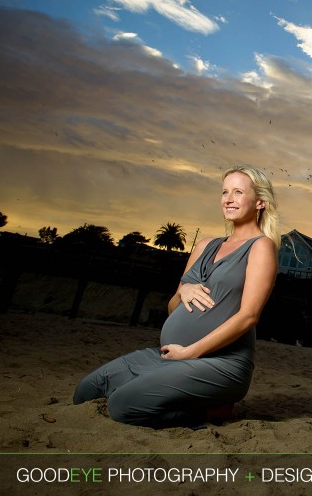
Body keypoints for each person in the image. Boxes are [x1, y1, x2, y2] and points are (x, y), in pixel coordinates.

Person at [73, 164, 279, 428]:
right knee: (86, 391)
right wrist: (183, 291)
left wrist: (190, 353)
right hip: (169, 355)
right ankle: (182, 393)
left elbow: (248, 316)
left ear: (260, 202)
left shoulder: (261, 247)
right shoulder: (205, 245)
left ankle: (212, 411)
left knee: (122, 406)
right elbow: (174, 308)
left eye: (238, 192)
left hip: (221, 363)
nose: (228, 199)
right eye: (225, 191)